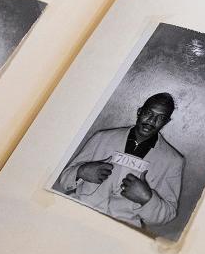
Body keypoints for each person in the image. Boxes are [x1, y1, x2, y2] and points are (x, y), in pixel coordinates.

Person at [56, 92, 184, 230]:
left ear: (166, 122)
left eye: (161, 117)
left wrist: (147, 199)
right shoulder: (102, 138)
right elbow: (64, 180)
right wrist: (81, 171)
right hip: (76, 216)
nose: (152, 121)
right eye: (148, 113)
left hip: (119, 230)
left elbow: (168, 213)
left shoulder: (173, 161)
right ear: (139, 112)